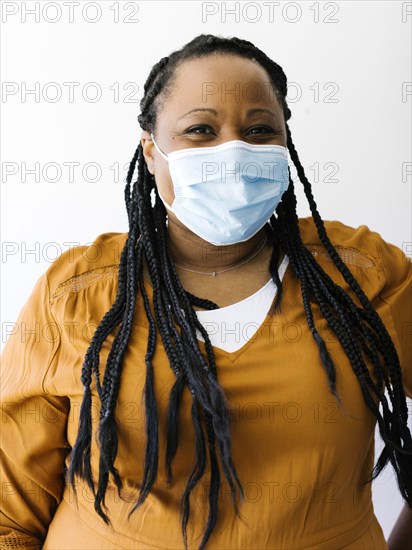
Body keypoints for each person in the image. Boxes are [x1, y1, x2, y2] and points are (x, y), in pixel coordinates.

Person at [1, 33, 411, 550]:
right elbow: (9, 510)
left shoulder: (363, 277)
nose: (233, 152)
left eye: (260, 130)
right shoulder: (78, 295)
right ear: (151, 151)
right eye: (200, 130)